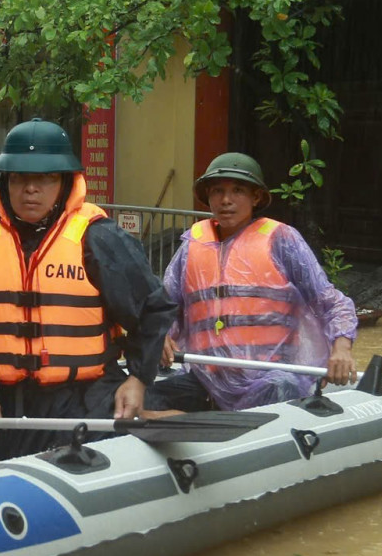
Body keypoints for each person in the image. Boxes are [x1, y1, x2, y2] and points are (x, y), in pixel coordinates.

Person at [0, 120, 176, 462]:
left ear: (64, 182)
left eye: (45, 178)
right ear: (6, 182)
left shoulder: (100, 239)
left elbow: (154, 309)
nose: (30, 189)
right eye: (19, 177)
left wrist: (137, 380)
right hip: (10, 409)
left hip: (87, 403)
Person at [149, 152, 359, 412]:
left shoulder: (282, 240)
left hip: (270, 377)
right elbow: (165, 306)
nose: (226, 200)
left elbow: (333, 303)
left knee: (280, 388)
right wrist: (160, 334)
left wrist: (341, 348)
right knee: (142, 398)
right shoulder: (192, 245)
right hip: (206, 379)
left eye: (237, 190)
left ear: (255, 197)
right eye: (217, 191)